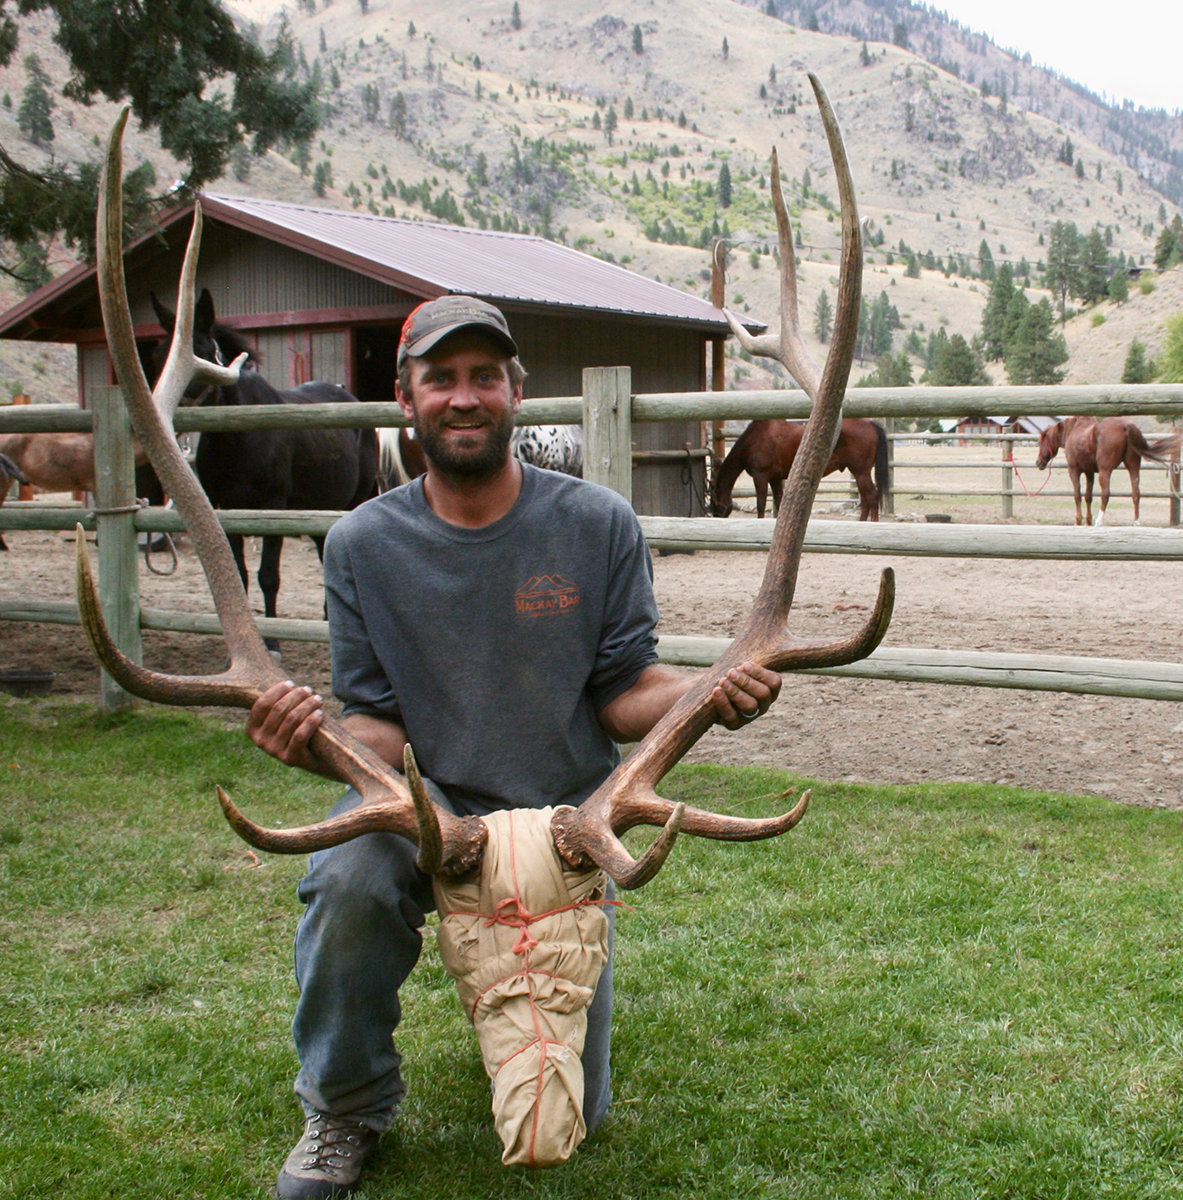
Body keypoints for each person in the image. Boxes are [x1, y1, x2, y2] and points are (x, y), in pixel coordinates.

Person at [245, 296, 781, 1199]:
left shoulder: (597, 524)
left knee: (583, 1113)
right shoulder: (361, 546)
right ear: (404, 398)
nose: (464, 397)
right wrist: (314, 741)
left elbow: (622, 694)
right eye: (441, 378)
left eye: (484, 377)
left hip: (566, 830)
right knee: (347, 880)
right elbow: (375, 720)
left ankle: (524, 1001)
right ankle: (343, 1106)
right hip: (429, 816)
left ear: (516, 393)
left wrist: (700, 695)